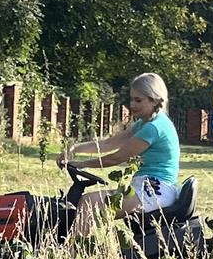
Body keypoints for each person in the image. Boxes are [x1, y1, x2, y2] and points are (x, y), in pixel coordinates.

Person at [56, 72, 180, 242]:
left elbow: (116, 158)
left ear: (155, 100)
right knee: (89, 203)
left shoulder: (154, 128)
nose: (132, 105)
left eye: (138, 100)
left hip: (155, 191)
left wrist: (81, 164)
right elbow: (108, 144)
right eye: (131, 99)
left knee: (89, 203)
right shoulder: (144, 124)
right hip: (146, 186)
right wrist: (74, 148)